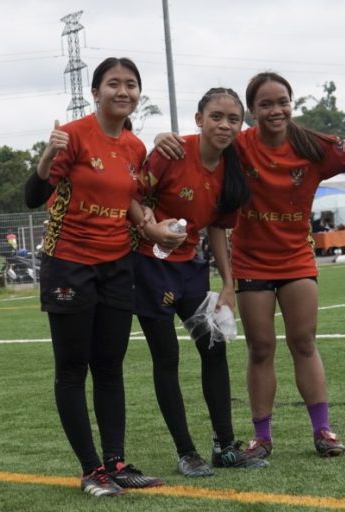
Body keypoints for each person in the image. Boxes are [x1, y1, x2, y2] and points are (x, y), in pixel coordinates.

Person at [155, 71, 345, 459]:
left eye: (282, 102)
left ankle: (323, 431)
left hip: (296, 259)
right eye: (265, 104)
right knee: (260, 348)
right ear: (252, 112)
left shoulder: (312, 144)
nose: (276, 110)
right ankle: (261, 437)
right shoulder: (238, 145)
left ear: (292, 105)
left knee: (304, 342)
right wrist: (164, 137)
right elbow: (201, 143)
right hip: (251, 262)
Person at [23, 57, 161, 497]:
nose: (123, 91)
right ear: (96, 92)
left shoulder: (135, 147)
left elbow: (130, 201)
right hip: (69, 264)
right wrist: (47, 155)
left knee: (110, 367)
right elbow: (33, 196)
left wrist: (152, 227)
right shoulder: (74, 136)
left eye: (131, 84)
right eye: (113, 84)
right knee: (72, 370)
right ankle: (90, 470)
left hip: (117, 266)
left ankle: (115, 463)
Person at [130, 87, 267, 477]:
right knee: (167, 358)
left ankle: (225, 447)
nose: (224, 125)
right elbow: (130, 196)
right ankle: (186, 452)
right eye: (216, 117)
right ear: (199, 119)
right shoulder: (172, 152)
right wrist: (150, 229)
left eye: (233, 119)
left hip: (191, 267)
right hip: (148, 267)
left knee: (214, 347)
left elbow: (218, 229)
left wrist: (228, 283)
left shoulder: (231, 168)